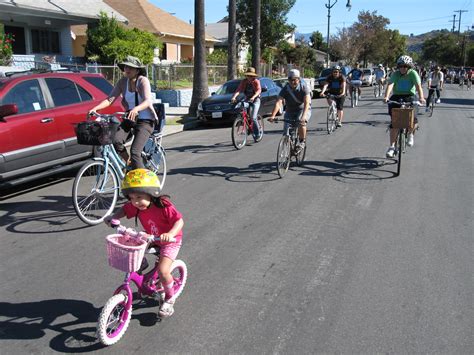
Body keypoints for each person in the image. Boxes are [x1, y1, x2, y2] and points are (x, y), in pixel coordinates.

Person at [104, 169, 184, 318]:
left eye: (139, 197)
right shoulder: (135, 206)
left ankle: (169, 298)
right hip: (151, 238)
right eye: (132, 197)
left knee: (163, 271)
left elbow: (179, 221)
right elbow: (124, 209)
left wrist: (170, 234)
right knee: (132, 248)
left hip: (169, 241)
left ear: (151, 193)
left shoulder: (163, 205)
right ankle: (143, 265)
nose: (135, 202)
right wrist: (113, 217)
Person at [90, 56, 158, 169]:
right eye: (126, 66)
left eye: (131, 67)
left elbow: (147, 101)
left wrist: (136, 109)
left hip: (146, 120)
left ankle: (143, 179)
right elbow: (110, 99)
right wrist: (95, 109)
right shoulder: (122, 82)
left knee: (135, 152)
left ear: (137, 70)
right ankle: (130, 164)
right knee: (116, 140)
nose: (127, 69)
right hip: (130, 119)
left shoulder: (142, 80)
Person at [383, 55, 425, 158]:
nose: (403, 68)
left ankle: (410, 134)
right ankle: (392, 147)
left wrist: (421, 98)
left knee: (413, 119)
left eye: (405, 66)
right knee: (394, 123)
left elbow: (418, 86)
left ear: (409, 67)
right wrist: (386, 96)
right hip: (396, 96)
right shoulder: (395, 74)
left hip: (410, 96)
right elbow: (390, 85)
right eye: (401, 66)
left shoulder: (413, 74)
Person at [268, 69, 311, 151]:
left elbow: (307, 102)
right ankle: (289, 149)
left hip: (303, 109)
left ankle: (302, 141)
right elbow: (278, 102)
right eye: (290, 79)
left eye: (295, 80)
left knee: (301, 122)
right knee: (286, 132)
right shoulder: (286, 89)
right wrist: (272, 116)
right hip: (290, 110)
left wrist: (304, 116)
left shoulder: (303, 87)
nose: (292, 82)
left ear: (299, 79)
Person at [230, 67, 262, 141]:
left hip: (256, 100)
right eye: (248, 76)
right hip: (247, 99)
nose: (249, 77)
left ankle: (257, 134)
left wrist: (253, 97)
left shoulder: (256, 81)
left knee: (253, 118)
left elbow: (258, 91)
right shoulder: (244, 82)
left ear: (254, 76)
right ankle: (245, 122)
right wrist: (234, 97)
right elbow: (238, 90)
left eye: (251, 76)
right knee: (241, 107)